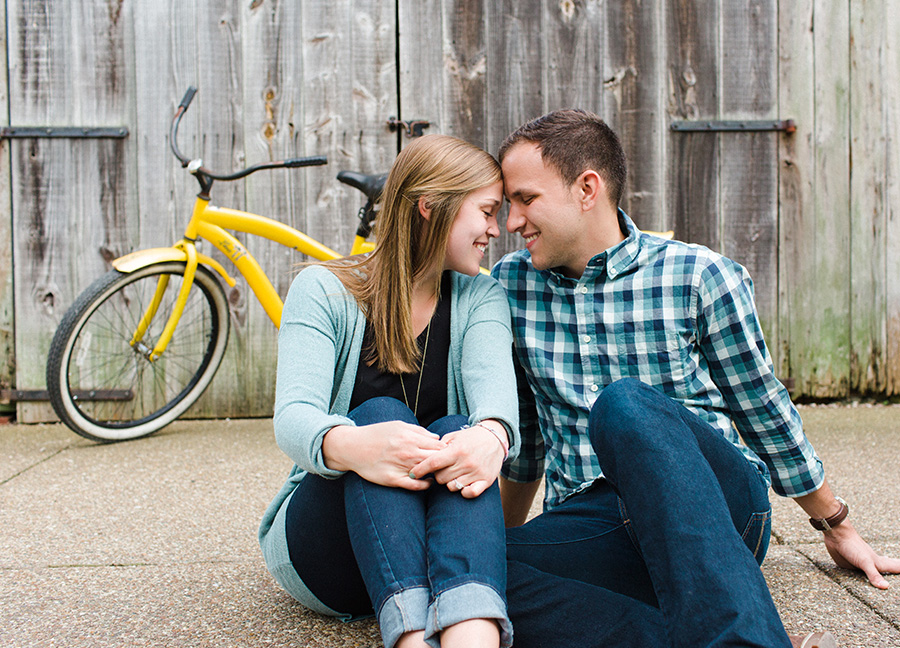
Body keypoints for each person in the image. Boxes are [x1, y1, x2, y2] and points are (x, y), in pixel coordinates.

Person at [490, 109, 900, 647]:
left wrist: (834, 523)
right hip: (596, 522)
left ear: (586, 188)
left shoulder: (698, 275)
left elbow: (761, 406)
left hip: (717, 509)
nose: (511, 221)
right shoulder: (510, 285)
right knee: (469, 576)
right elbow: (526, 438)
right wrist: (503, 541)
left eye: (525, 199)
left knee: (625, 406)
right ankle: (693, 636)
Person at [259, 134, 520, 648]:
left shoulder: (480, 295)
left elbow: (496, 396)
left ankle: (472, 639)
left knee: (458, 431)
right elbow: (292, 417)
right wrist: (361, 446)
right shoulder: (324, 289)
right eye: (487, 211)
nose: (496, 229)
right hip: (333, 553)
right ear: (431, 206)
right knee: (379, 414)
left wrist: (491, 436)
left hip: (438, 546)